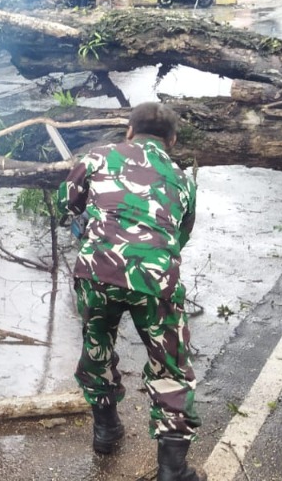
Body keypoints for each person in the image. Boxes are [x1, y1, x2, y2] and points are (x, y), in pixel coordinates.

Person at [58, 102, 202, 481]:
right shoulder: (183, 178)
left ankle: (106, 431)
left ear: (128, 131)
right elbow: (180, 235)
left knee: (97, 345)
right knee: (169, 367)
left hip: (96, 274)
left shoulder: (97, 156)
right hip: (155, 283)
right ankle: (172, 471)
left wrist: (87, 217)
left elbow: (65, 203)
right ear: (171, 140)